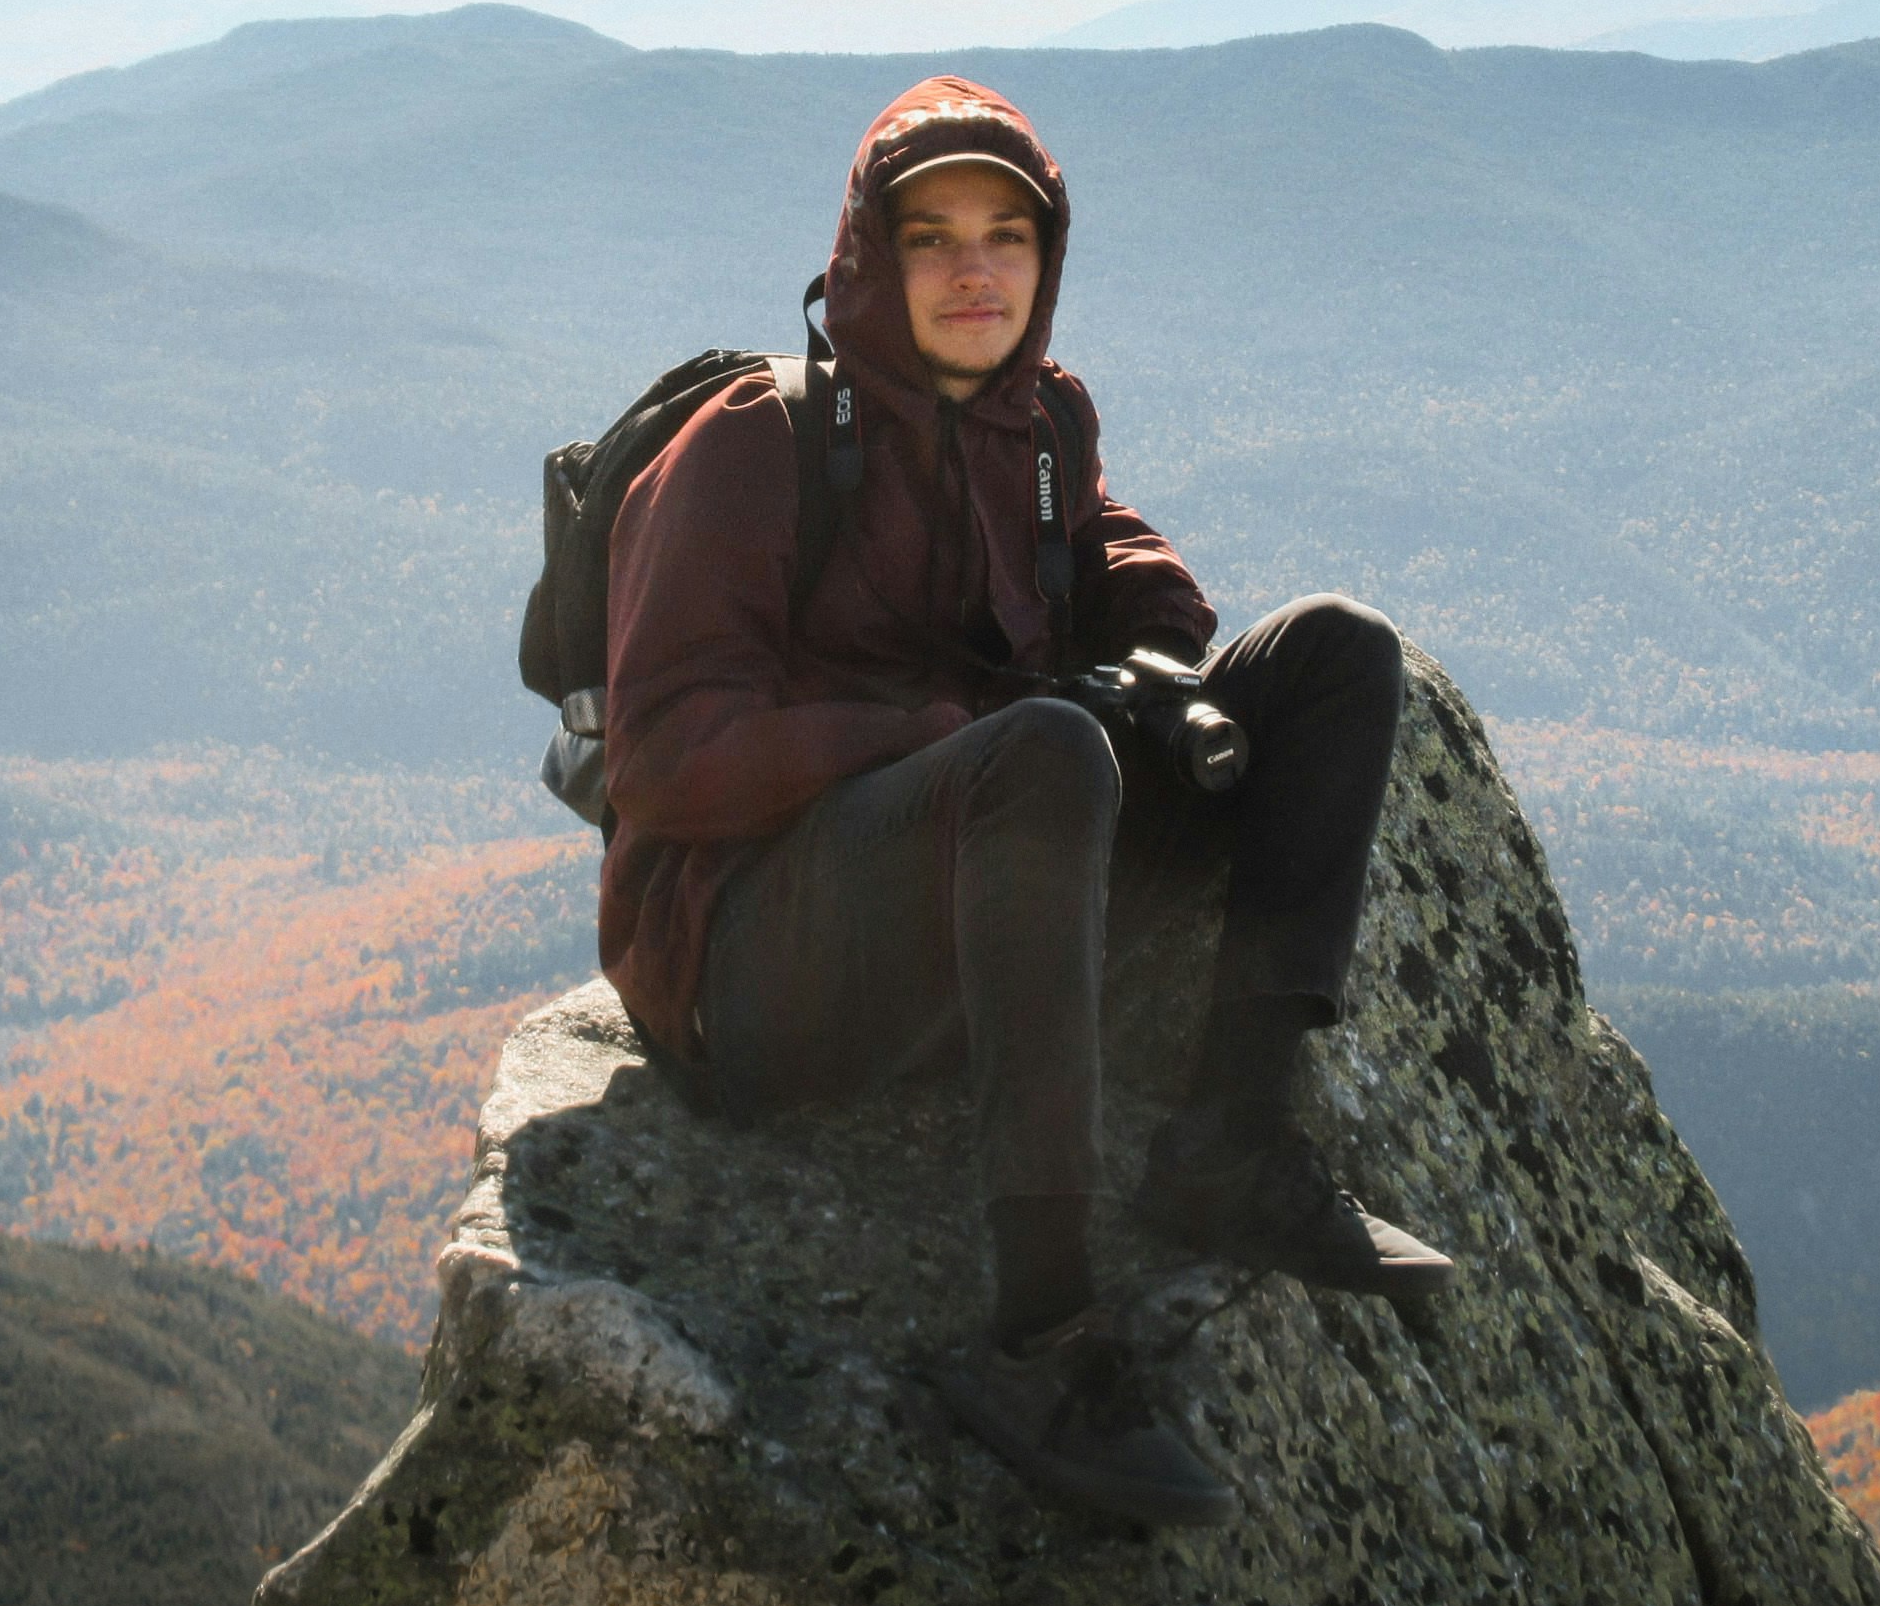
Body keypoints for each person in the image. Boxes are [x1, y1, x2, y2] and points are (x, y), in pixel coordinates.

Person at [598, 76, 1451, 1527]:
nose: (975, 268)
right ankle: (1040, 1342)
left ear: (1049, 258)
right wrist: (935, 729)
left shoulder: (1039, 425)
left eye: (1009, 234)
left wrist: (1158, 648)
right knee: (1047, 750)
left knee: (1334, 654)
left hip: (968, 888)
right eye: (930, 237)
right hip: (756, 965)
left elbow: (1120, 558)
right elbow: (665, 760)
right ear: (867, 256)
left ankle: (1228, 1147)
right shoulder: (754, 444)